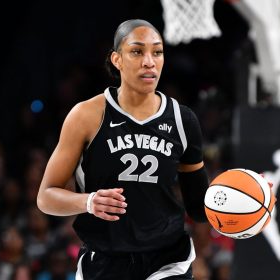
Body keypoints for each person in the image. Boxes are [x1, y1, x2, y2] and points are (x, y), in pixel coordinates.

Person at [37, 19, 209, 280]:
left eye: (157, 52)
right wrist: (89, 201)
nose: (149, 61)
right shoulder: (86, 116)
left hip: (168, 258)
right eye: (137, 51)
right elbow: (46, 197)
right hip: (105, 260)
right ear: (117, 59)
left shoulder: (183, 120)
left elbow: (198, 207)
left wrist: (241, 200)